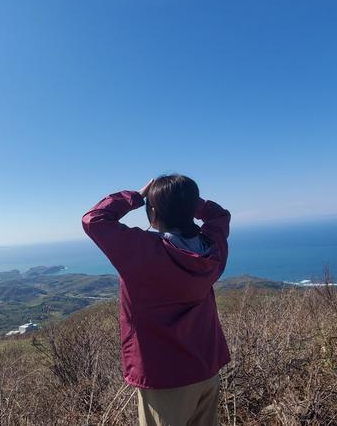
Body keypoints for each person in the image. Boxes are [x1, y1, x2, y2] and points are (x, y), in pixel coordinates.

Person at [81, 174, 231, 426]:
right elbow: (219, 216)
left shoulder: (144, 250)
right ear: (192, 209)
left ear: (154, 213)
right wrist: (192, 202)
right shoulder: (212, 249)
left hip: (164, 377)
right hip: (207, 366)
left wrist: (136, 197)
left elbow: (94, 220)